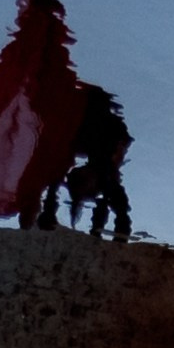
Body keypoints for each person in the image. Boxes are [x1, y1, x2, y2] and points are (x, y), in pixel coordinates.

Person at [64, 86, 132, 243]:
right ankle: (104, 232)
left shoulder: (98, 141)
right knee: (112, 195)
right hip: (102, 158)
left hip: (101, 158)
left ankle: (102, 232)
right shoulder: (104, 142)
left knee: (112, 195)